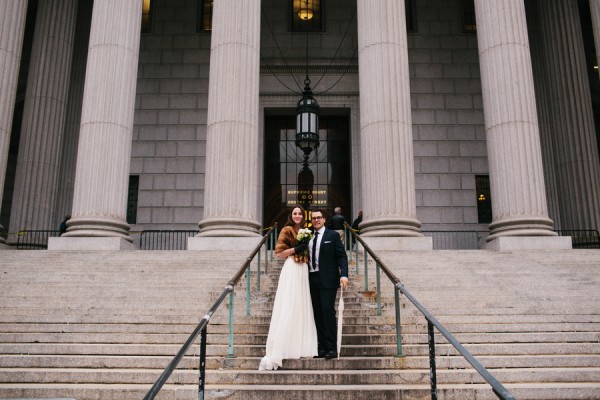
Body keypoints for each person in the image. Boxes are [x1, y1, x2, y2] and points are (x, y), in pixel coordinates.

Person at [259, 205, 318, 370]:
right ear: (291, 216)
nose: (298, 215)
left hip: (304, 269)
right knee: (290, 304)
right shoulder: (287, 230)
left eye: (300, 213)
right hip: (292, 267)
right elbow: (278, 253)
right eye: (295, 213)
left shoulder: (307, 230)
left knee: (302, 305)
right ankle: (283, 346)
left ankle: (300, 345)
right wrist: (296, 249)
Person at [309, 209, 349, 359]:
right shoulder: (308, 237)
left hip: (329, 279)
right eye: (314, 218)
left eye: (319, 218)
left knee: (327, 311)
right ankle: (322, 348)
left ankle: (332, 348)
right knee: (317, 314)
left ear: (324, 219)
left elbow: (342, 257)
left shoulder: (332, 235)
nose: (316, 220)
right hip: (312, 279)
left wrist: (344, 275)